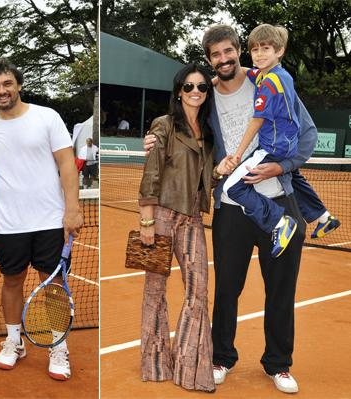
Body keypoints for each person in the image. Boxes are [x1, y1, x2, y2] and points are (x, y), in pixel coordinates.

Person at [145, 24, 316, 393]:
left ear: (240, 50)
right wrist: (155, 137)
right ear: (209, 60)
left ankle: (278, 364)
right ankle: (221, 357)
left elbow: (307, 133)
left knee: (281, 290)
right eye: (215, 55)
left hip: (279, 203)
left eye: (228, 51)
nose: (222, 59)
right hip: (231, 207)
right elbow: (180, 122)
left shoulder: (269, 82)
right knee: (226, 290)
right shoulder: (204, 97)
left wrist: (282, 166)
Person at [0, 59, 83, 381]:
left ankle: (57, 346)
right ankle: (13, 341)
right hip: (9, 223)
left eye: (7, 84)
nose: (2, 91)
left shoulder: (47, 117)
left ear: (18, 85)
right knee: (11, 282)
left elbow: (66, 163)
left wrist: (73, 209)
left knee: (50, 284)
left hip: (50, 219)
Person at [223, 24, 339, 251]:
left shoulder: (269, 83)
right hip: (288, 144)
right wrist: (220, 79)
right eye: (255, 50)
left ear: (280, 51)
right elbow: (250, 71)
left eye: (265, 48)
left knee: (232, 187)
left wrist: (238, 154)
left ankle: (279, 221)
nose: (259, 54)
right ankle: (324, 216)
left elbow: (257, 121)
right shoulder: (279, 74)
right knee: (294, 176)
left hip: (273, 148)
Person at [138, 63, 216, 393]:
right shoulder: (164, 125)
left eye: (201, 87)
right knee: (155, 292)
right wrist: (146, 221)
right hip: (162, 217)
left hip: (193, 219)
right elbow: (152, 174)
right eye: (188, 86)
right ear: (178, 91)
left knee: (198, 291)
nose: (195, 92)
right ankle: (155, 363)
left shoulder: (211, 133)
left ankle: (190, 366)